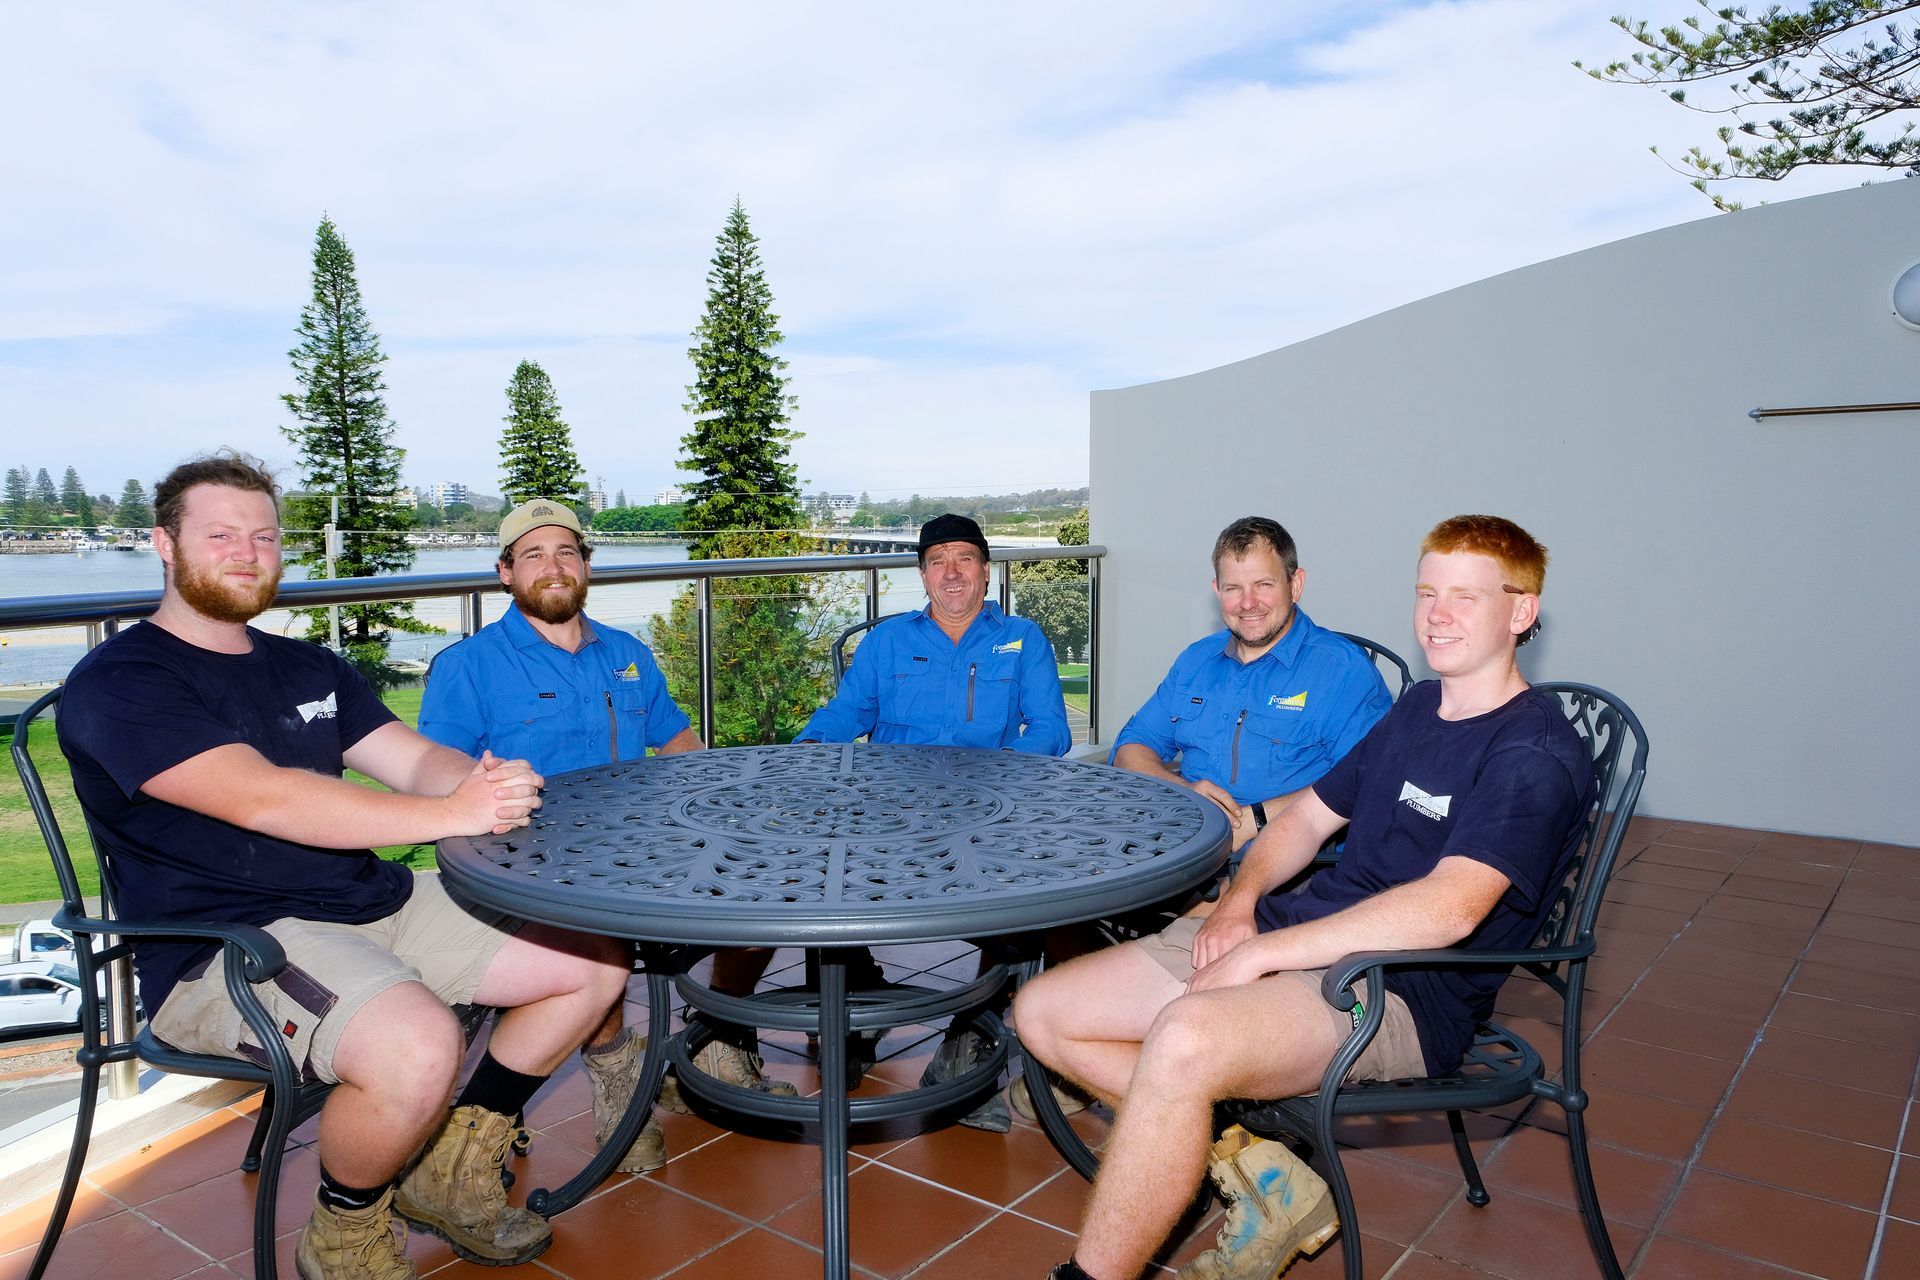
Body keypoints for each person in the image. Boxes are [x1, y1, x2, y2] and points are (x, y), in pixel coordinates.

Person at [57, 453, 635, 1280]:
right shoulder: (122, 680)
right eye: (220, 534)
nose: (248, 552)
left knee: (593, 953)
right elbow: (263, 799)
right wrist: (450, 815)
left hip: (366, 900)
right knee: (416, 1044)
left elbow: (413, 762)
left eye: (263, 535)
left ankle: (450, 1167)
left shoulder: (308, 667)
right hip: (226, 943)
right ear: (163, 544)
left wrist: (479, 784)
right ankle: (346, 1230)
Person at [1017, 515, 1594, 1280]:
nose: (1437, 615)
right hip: (1304, 931)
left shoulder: (1533, 754)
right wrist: (1239, 902)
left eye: (1466, 597)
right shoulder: (1419, 708)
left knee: (1183, 1042)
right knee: (1044, 1013)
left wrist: (1262, 954)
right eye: (1428, 593)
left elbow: (1449, 909)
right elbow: (1309, 818)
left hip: (1402, 992)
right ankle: (1259, 1173)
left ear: (1521, 612)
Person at [418, 498, 796, 1171]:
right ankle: (621, 1094)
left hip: (643, 848)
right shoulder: (468, 667)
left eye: (566, 552)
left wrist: (735, 810)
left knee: (766, 891)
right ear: (504, 573)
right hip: (531, 862)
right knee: (599, 950)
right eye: (532, 554)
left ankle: (714, 1038)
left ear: (586, 567)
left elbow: (677, 740)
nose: (553, 566)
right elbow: (436, 778)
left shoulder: (625, 653)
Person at [798, 512, 1071, 1129]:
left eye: (965, 559)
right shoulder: (889, 642)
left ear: (985, 570)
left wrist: (993, 774)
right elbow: (846, 716)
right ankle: (853, 1000)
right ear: (922, 573)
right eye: (938, 560)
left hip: (989, 808)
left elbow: (1051, 730)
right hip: (890, 807)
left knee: (1029, 896)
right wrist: (809, 752)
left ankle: (971, 1032)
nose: (951, 572)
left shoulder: (1023, 638)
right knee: (822, 869)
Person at [1110, 516, 1391, 857]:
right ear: (1217, 591)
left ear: (1295, 584)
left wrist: (1254, 820)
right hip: (1183, 844)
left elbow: (1365, 781)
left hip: (1290, 860)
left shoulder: (1343, 672)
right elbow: (1132, 745)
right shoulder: (1196, 660)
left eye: (1263, 585)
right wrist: (1185, 792)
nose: (1247, 603)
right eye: (1233, 588)